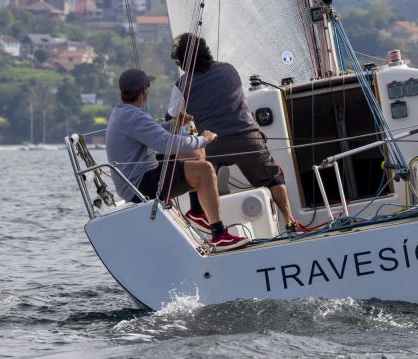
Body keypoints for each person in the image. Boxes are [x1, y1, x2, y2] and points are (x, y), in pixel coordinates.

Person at [168, 33, 300, 233]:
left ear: (181, 61)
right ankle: (290, 222)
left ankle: (208, 221)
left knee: (199, 171)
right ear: (205, 51)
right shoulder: (229, 69)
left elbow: (173, 117)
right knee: (273, 178)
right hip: (247, 139)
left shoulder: (181, 85)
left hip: (213, 145)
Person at [105, 68, 249, 251]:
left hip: (136, 179)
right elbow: (166, 144)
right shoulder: (134, 115)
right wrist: (203, 139)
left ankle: (197, 211)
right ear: (144, 90)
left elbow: (151, 132)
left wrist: (174, 124)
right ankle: (219, 235)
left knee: (196, 157)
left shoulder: (122, 112)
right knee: (204, 170)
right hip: (140, 185)